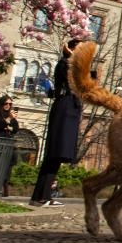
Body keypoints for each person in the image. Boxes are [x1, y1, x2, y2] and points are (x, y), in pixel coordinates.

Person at [28, 39, 83, 207]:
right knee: (54, 153)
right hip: (64, 108)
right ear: (71, 49)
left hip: (69, 109)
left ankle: (42, 195)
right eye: (79, 49)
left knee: (56, 156)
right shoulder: (65, 65)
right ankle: (40, 196)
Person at [0, 94, 19, 196]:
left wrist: (10, 127)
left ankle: (4, 189)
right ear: (2, 103)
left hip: (7, 143)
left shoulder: (10, 115)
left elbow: (15, 128)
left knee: (7, 166)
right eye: (6, 103)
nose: (8, 106)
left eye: (10, 104)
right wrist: (8, 120)